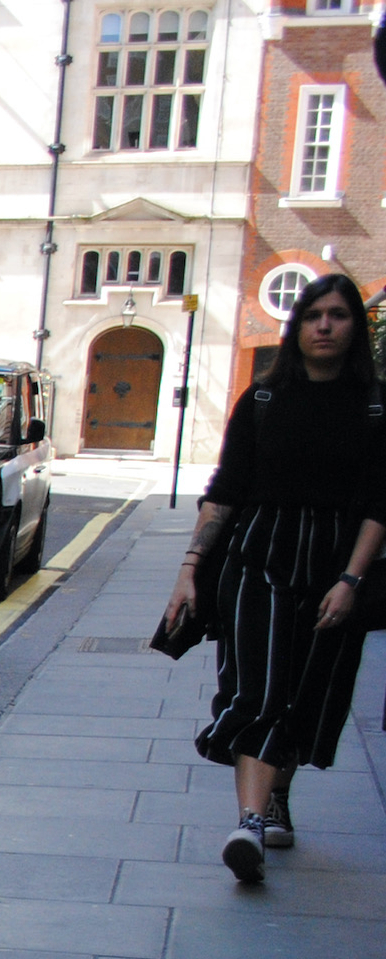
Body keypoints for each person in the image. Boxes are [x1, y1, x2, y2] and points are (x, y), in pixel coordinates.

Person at [164, 273, 386, 883]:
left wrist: (352, 580)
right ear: (297, 327)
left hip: (336, 560)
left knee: (307, 692)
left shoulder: (374, 407)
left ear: (353, 328)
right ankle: (251, 822)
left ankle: (276, 796)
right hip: (257, 555)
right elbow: (224, 493)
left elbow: (378, 504)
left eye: (338, 315)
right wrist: (189, 572)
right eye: (313, 314)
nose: (324, 326)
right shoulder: (262, 400)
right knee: (257, 689)